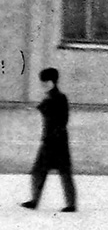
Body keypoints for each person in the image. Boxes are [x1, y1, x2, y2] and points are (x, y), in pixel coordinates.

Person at [20, 68, 77, 212]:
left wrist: (44, 109)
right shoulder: (50, 98)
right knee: (39, 171)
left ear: (53, 82)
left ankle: (70, 204)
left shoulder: (59, 98)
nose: (43, 85)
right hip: (50, 141)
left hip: (57, 142)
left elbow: (62, 120)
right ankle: (35, 200)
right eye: (43, 82)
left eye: (46, 82)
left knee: (63, 173)